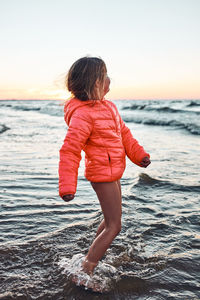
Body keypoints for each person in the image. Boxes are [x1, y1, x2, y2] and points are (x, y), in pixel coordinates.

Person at [59, 56, 151, 278]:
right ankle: (86, 269)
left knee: (111, 221)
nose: (110, 79)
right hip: (102, 175)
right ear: (94, 83)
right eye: (105, 75)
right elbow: (70, 150)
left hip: (113, 171)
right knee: (114, 226)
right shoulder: (83, 114)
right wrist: (67, 186)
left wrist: (139, 156)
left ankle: (92, 255)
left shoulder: (109, 107)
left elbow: (124, 133)